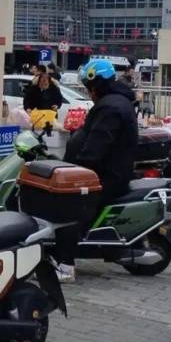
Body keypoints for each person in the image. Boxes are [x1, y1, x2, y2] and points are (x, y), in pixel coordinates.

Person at [61, 58, 139, 283]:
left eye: (89, 87)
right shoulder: (115, 102)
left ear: (97, 85)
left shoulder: (110, 108)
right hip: (107, 172)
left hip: (105, 176)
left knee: (68, 209)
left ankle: (65, 265)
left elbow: (97, 146)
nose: (89, 92)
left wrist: (77, 173)